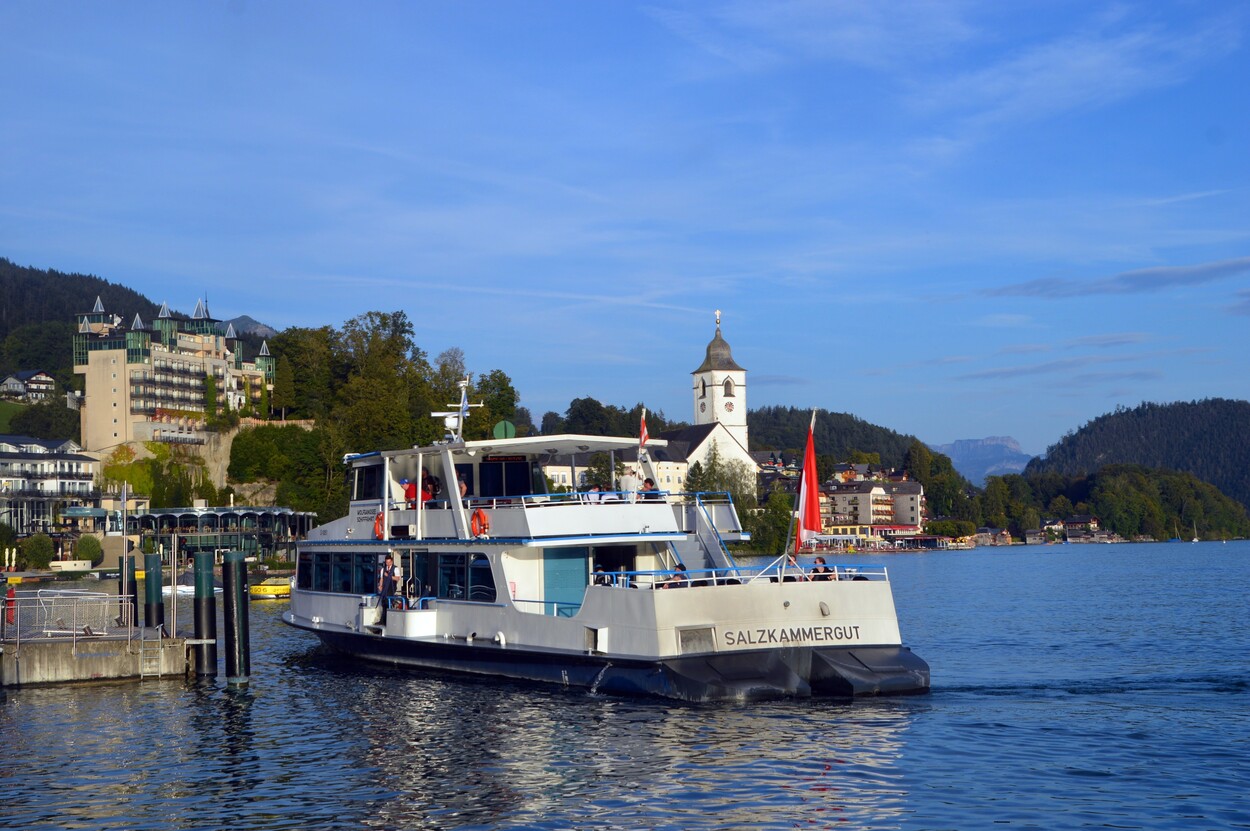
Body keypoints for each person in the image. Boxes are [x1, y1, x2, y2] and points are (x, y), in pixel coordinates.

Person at [377, 555, 397, 623]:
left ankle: (388, 621)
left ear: (391, 562)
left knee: (389, 604)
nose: (387, 564)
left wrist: (389, 576)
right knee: (384, 604)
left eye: (389, 562)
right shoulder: (383, 569)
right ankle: (383, 620)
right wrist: (380, 585)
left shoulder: (395, 569)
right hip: (385, 589)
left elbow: (397, 578)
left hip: (392, 588)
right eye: (386, 562)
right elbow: (382, 578)